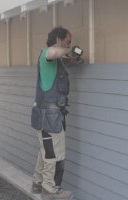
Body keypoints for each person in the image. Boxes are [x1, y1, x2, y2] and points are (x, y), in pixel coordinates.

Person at [30, 27, 81, 199]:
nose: (69, 45)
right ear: (58, 41)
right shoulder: (47, 53)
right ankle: (51, 189)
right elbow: (51, 53)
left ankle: (38, 182)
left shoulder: (56, 61)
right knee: (55, 154)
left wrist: (71, 59)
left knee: (45, 151)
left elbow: (57, 59)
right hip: (49, 117)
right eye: (67, 42)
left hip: (49, 116)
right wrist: (68, 51)